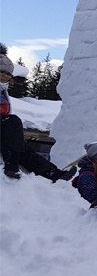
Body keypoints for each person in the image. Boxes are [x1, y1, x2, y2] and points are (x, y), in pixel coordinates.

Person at [1, 48, 75, 182]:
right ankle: (11, 165)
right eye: (2, 72)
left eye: (8, 73)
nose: (6, 76)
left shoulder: (3, 90)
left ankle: (54, 173)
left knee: (24, 149)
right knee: (13, 121)